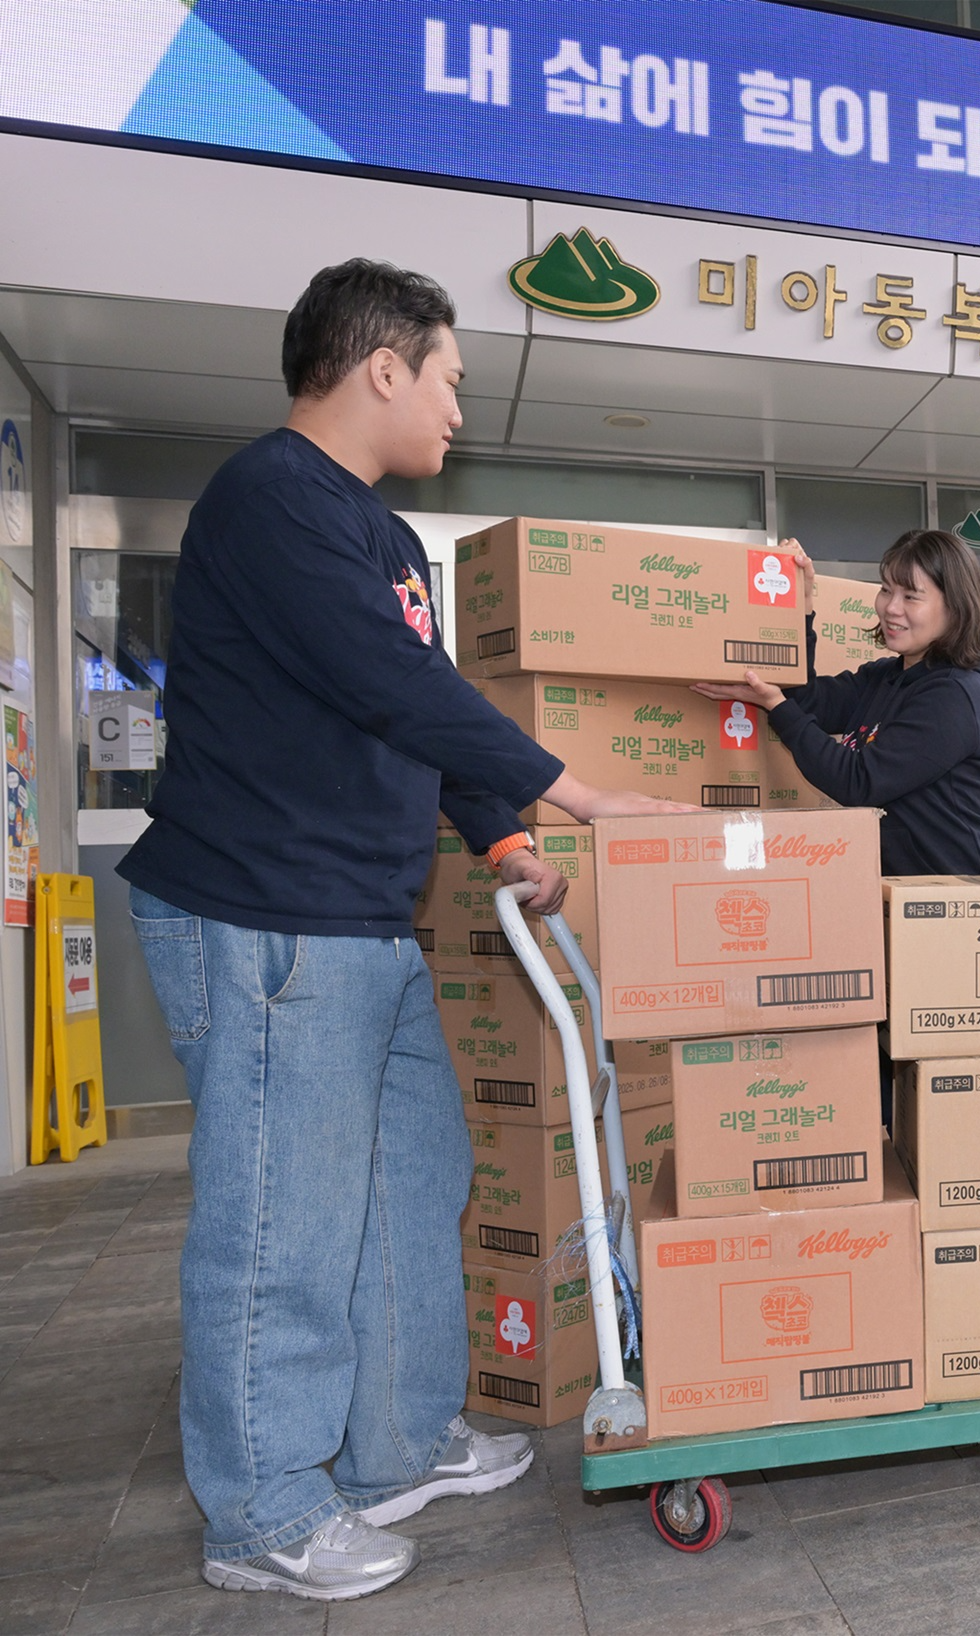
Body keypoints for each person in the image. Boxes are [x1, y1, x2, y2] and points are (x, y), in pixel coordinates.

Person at [118, 260, 694, 1600]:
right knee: (287, 1224)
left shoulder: (377, 535)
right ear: (384, 365)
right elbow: (382, 677)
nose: (457, 409)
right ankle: (263, 1509)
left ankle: (390, 1447)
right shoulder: (269, 498)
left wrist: (500, 833)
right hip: (261, 915)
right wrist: (579, 793)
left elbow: (412, 702)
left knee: (412, 1184)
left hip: (362, 922)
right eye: (449, 379)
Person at [695, 527, 980, 875]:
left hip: (953, 892)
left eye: (910, 596)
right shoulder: (885, 677)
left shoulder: (958, 694)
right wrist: (801, 603)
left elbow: (860, 782)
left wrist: (777, 706)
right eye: (886, 589)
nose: (891, 607)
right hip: (892, 888)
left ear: (955, 608)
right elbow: (807, 700)